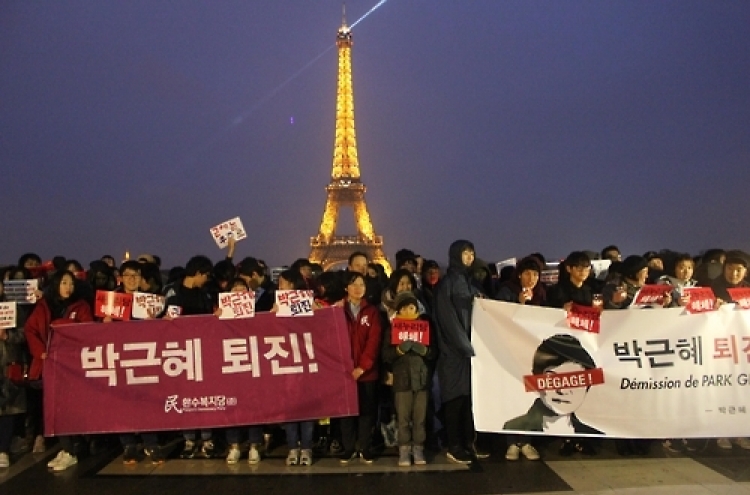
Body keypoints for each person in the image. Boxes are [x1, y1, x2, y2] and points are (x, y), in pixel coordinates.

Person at [26, 270, 94, 471]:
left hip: (72, 367)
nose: (68, 287)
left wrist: (61, 325)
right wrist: (41, 353)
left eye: (71, 283)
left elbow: (87, 330)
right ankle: (67, 449)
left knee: (67, 409)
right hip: (50, 366)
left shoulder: (81, 306)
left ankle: (71, 450)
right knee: (54, 409)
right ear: (56, 284)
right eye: (64, 283)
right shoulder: (44, 306)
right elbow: (30, 330)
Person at [434, 240, 485, 464]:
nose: (469, 257)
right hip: (455, 352)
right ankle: (454, 444)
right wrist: (464, 345)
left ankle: (467, 442)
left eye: (472, 253)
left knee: (466, 399)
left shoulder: (467, 282)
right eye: (465, 253)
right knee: (455, 399)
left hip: (467, 351)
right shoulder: (449, 283)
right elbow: (448, 320)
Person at [494, 257, 545, 461]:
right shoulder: (507, 291)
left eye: (535, 274)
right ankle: (511, 442)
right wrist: (520, 304)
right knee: (513, 395)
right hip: (510, 351)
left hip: (533, 352)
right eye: (527, 273)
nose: (531, 278)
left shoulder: (542, 293)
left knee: (531, 396)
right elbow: (500, 317)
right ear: (519, 274)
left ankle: (527, 441)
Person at [503, 334, 602, 436]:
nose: (562, 390)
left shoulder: (595, 436)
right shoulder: (513, 428)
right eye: (553, 380)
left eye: (574, 381)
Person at [382, 292, 435, 467]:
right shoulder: (392, 328)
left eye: (411, 307)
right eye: (403, 308)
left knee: (420, 417)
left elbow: (434, 353)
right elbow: (385, 355)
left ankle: (418, 447)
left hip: (421, 380)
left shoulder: (425, 326)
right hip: (402, 380)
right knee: (403, 417)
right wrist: (398, 351)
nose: (408, 310)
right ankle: (404, 448)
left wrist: (425, 351)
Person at [339, 272, 382, 465]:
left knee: (366, 411)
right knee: (346, 411)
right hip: (343, 371)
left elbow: (374, 341)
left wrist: (363, 367)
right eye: (354, 284)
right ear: (346, 287)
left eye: (361, 284)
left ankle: (364, 446)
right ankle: (348, 447)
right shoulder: (337, 310)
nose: (358, 288)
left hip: (366, 372)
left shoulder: (372, 312)